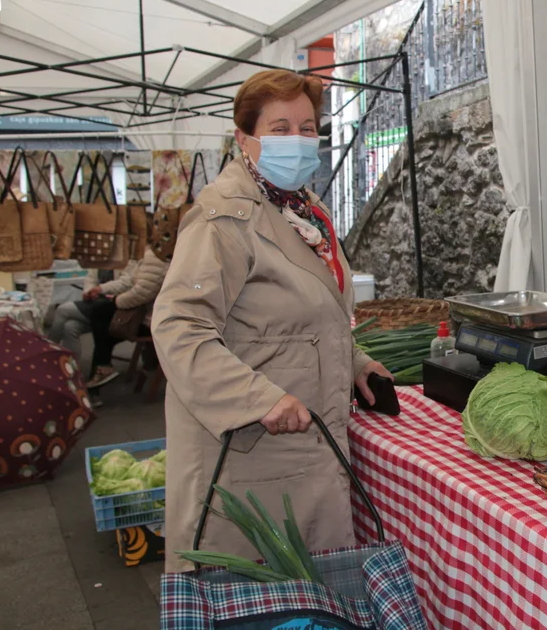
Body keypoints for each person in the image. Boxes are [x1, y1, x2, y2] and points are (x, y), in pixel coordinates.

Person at [152, 69, 393, 573]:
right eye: (280, 129)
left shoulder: (303, 211)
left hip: (303, 446)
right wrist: (258, 399)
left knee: (302, 593)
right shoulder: (223, 219)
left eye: (307, 128)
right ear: (244, 138)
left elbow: (308, 316)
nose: (297, 140)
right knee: (256, 593)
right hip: (250, 453)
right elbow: (179, 328)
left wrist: (356, 362)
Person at [48, 247, 169, 406]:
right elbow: (100, 279)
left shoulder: (147, 255)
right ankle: (75, 376)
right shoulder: (140, 252)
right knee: (72, 326)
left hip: (138, 316)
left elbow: (138, 291)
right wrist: (94, 291)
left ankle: (51, 361)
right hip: (119, 307)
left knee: (67, 310)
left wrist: (112, 299)